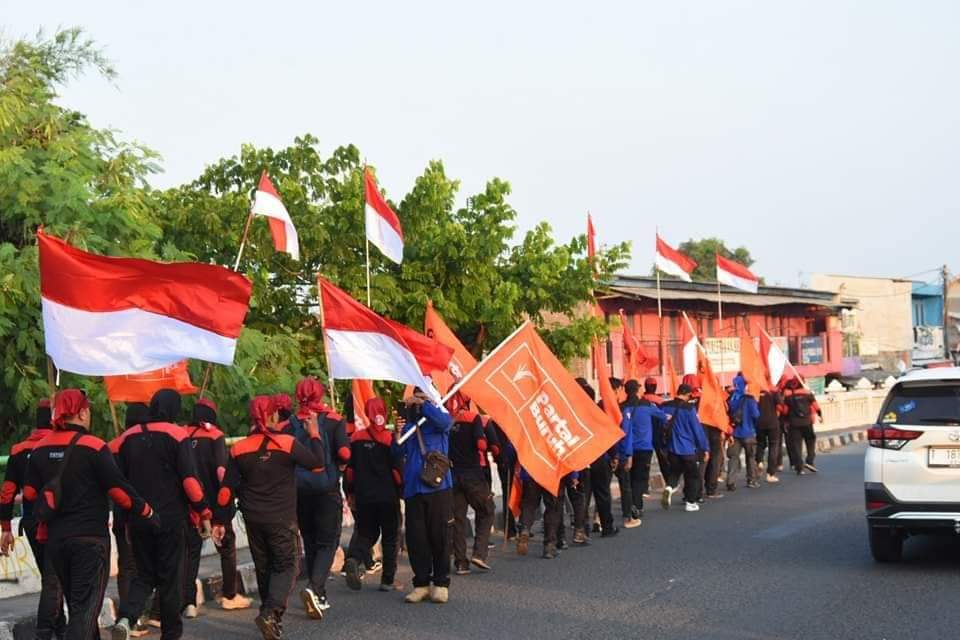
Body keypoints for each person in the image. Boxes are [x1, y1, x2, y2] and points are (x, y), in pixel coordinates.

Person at [16, 390, 159, 640]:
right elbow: (119, 492)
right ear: (81, 413)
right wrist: (146, 511)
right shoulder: (94, 446)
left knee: (79, 607)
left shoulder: (39, 449)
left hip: (56, 542)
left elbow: (28, 493)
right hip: (90, 541)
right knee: (84, 610)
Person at [215, 395, 326, 640]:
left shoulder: (238, 448)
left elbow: (225, 491)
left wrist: (219, 521)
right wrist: (314, 434)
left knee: (264, 568)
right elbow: (318, 465)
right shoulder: (287, 443)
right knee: (287, 565)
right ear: (272, 415)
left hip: (253, 519)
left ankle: (271, 617)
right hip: (281, 519)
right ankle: (270, 613)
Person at [113, 390, 212, 640]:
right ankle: (171, 634)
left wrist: (126, 520)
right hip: (170, 519)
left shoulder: (127, 438)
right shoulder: (176, 434)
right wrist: (204, 512)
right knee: (170, 579)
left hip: (139, 519)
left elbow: (119, 486)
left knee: (144, 576)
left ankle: (126, 618)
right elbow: (190, 482)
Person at [0, 399, 66, 640]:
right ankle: (46, 631)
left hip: (30, 521)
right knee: (54, 578)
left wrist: (6, 528)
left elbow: (7, 492)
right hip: (60, 521)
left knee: (51, 576)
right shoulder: (65, 445)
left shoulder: (18, 450)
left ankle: (60, 628)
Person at [181, 399, 251, 615]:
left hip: (189, 504)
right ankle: (230, 595)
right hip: (214, 503)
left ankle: (189, 602)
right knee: (226, 547)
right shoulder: (215, 435)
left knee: (191, 553)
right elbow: (222, 472)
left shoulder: (181, 434)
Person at [289, 378, 349, 618]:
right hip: (327, 490)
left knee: (311, 540)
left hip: (299, 491)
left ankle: (320, 594)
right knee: (328, 542)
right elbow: (344, 453)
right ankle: (314, 587)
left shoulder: (290, 423)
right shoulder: (334, 420)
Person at [398, 388, 453, 604]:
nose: (415, 403)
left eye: (421, 398)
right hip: (413, 488)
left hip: (438, 488)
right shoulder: (410, 426)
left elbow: (445, 423)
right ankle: (421, 583)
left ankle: (441, 583)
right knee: (416, 538)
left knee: (440, 536)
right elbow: (397, 452)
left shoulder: (439, 420)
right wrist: (397, 435)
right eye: (415, 398)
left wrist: (426, 405)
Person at [343, 397, 403, 592]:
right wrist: (402, 490)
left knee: (367, 533)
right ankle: (387, 580)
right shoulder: (390, 439)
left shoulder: (356, 438)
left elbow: (349, 471)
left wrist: (350, 493)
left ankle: (354, 558)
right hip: (387, 497)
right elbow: (397, 471)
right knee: (390, 537)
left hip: (364, 496)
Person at [445, 393, 495, 575]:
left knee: (458, 519)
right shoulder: (473, 418)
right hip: (473, 474)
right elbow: (481, 444)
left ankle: (461, 563)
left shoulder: (445, 420)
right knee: (487, 509)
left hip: (453, 475)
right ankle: (479, 553)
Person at [622, 380, 671, 522]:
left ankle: (628, 507)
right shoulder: (647, 405)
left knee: (629, 479)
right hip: (643, 447)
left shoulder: (623, 407)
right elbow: (663, 416)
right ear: (638, 390)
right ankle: (637, 506)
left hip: (626, 448)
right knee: (639, 478)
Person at [575, 379, 617, 538]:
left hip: (582, 459)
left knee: (583, 496)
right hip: (599, 457)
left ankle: (582, 529)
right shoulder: (599, 414)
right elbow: (608, 436)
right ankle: (607, 527)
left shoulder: (573, 416)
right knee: (603, 494)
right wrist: (614, 455)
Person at [661, 384, 709, 512]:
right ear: (688, 394)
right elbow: (697, 430)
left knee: (675, 472)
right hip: (687, 448)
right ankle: (690, 502)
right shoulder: (689, 409)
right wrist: (704, 448)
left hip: (671, 448)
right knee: (693, 475)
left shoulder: (665, 406)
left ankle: (669, 487)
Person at [684, 374, 724, 500]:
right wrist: (725, 430)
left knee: (698, 464)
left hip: (693, 435)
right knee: (713, 461)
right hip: (712, 432)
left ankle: (695, 492)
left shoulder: (684, 400)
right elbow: (719, 414)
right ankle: (710, 489)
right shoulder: (708, 397)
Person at [516, 468, 563, 559]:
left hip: (531, 471)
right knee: (552, 508)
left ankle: (525, 529)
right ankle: (549, 546)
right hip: (552, 472)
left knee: (529, 505)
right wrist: (573, 475)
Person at [726, 374, 761, 490]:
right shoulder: (749, 399)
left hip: (735, 433)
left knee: (733, 457)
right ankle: (751, 480)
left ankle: (730, 481)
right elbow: (756, 415)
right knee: (750, 457)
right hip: (748, 432)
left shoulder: (731, 399)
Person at [782, 377, 823, 475]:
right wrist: (820, 416)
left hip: (794, 423)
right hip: (807, 422)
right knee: (810, 440)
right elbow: (816, 406)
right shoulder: (808, 394)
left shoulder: (788, 396)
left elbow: (785, 411)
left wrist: (785, 421)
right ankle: (810, 461)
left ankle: (799, 468)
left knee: (796, 445)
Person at [615, 383, 641, 529]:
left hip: (603, 454)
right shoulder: (621, 410)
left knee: (600, 489)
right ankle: (627, 518)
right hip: (619, 452)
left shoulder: (599, 407)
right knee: (625, 486)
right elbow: (626, 434)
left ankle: (597, 520)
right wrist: (628, 454)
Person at [643, 378, 671, 486]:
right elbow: (665, 418)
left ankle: (644, 486)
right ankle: (669, 482)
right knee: (663, 460)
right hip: (658, 434)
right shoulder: (661, 401)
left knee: (645, 462)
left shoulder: (641, 400)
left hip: (645, 434)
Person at [755, 388, 782, 484]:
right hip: (772, 423)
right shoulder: (773, 392)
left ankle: (759, 461)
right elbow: (780, 406)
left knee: (760, 444)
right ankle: (770, 474)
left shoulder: (755, 392)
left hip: (759, 423)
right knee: (773, 447)